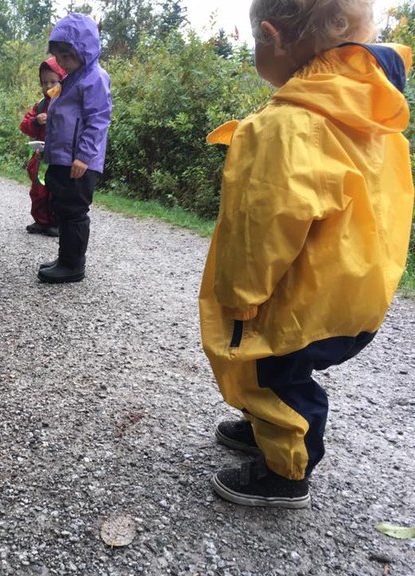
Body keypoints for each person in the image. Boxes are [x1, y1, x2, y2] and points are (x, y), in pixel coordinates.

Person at [200, 0, 413, 509]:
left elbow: (261, 227)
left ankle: (285, 472)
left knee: (267, 368)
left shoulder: (286, 125)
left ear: (273, 37)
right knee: (290, 369)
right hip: (359, 294)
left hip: (300, 295)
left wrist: (239, 293)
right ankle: (263, 431)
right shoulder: (374, 114)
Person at [37, 13, 112, 284]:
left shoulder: (94, 78)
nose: (62, 63)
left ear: (84, 50)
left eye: (67, 57)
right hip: (63, 158)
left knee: (74, 211)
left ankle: (73, 265)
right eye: (59, 57)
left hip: (79, 161)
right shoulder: (73, 77)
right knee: (63, 207)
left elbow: (98, 119)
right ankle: (65, 258)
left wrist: (84, 156)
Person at [20, 57, 67, 237]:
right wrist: (36, 121)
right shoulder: (40, 105)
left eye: (53, 81)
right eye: (44, 82)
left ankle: (56, 223)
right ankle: (41, 221)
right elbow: (24, 125)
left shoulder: (67, 104)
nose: (48, 86)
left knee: (56, 192)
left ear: (62, 80)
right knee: (38, 191)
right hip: (40, 158)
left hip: (59, 158)